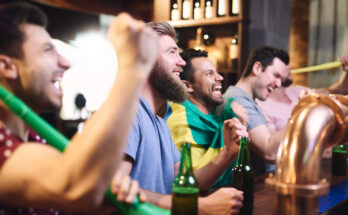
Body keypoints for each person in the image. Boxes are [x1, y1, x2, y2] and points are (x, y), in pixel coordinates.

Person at [0, 2, 157, 214]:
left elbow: (78, 191)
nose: (66, 62)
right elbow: (73, 186)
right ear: (7, 67)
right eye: (48, 50)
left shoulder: (34, 138)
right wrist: (133, 66)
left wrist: (101, 191)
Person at [118, 22, 245, 215]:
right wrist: (202, 206)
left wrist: (228, 152)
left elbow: (186, 179)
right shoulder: (128, 115)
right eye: (172, 52)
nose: (182, 62)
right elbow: (113, 189)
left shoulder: (159, 122)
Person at [167, 48, 248, 188]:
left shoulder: (219, 115)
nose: (220, 77)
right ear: (187, 86)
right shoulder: (182, 120)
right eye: (209, 74)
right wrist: (228, 152)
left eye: (217, 72)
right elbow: (191, 182)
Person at [215, 46, 290, 174]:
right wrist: (302, 112)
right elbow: (270, 153)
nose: (278, 84)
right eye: (276, 75)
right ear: (257, 68)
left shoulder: (247, 99)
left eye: (281, 79)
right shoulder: (238, 100)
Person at [256, 55, 348, 134]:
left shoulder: (296, 90)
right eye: (284, 65)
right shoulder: (262, 107)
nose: (289, 67)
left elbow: (340, 90)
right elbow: (272, 149)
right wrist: (303, 107)